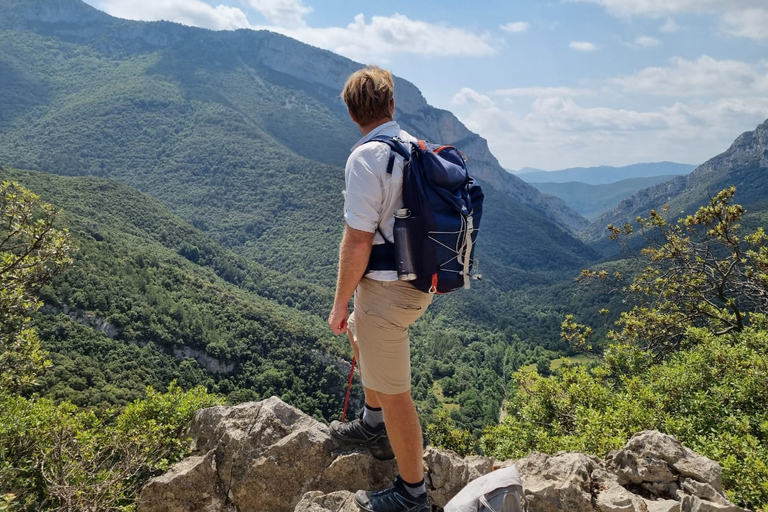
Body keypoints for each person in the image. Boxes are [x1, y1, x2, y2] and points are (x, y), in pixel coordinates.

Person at [327, 65, 433, 512]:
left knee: (396, 394)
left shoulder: (366, 157)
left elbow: (357, 241)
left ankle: (413, 493)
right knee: (359, 328)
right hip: (420, 280)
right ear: (392, 104)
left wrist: (337, 305)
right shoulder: (415, 146)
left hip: (389, 289)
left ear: (353, 114)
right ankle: (372, 423)